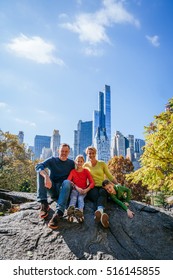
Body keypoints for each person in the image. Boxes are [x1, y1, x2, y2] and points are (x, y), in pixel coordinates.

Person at [35, 143, 75, 229]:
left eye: (66, 151)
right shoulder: (52, 160)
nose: (64, 153)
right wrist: (46, 176)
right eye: (62, 151)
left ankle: (58, 213)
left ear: (69, 152)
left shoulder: (72, 163)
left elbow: (79, 173)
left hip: (63, 190)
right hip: (52, 188)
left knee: (67, 182)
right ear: (58, 151)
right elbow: (39, 166)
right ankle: (44, 203)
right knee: (40, 172)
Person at [83, 146, 117, 228]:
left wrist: (117, 184)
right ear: (87, 154)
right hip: (91, 187)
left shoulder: (102, 164)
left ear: (95, 153)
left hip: (102, 186)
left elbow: (109, 175)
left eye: (93, 153)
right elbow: (81, 176)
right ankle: (101, 215)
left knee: (103, 193)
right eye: (89, 153)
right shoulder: (85, 165)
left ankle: (99, 212)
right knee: (96, 196)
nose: (91, 155)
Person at [67, 155, 95, 223]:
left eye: (81, 161)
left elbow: (92, 183)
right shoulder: (73, 171)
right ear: (75, 162)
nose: (79, 163)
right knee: (73, 198)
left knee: (80, 199)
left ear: (83, 162)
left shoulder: (86, 171)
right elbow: (68, 181)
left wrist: (86, 190)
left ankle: (80, 214)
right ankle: (70, 214)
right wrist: (76, 187)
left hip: (83, 190)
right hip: (75, 190)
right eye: (78, 161)